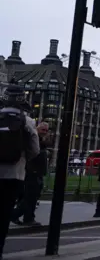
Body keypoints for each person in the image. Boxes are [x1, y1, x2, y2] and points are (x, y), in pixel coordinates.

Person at [0, 83, 40, 258]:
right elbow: (35, 149)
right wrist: (23, 159)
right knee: (4, 212)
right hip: (14, 173)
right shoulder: (26, 120)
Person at [11, 122, 49, 226]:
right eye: (43, 129)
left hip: (38, 172)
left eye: (46, 130)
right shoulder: (34, 139)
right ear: (37, 128)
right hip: (32, 171)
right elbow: (32, 153)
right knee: (30, 197)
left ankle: (22, 216)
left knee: (32, 196)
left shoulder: (40, 140)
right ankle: (20, 216)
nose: (44, 132)